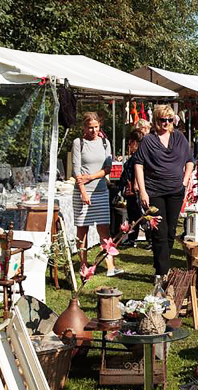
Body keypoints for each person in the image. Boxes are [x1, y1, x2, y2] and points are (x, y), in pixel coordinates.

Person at [134, 105, 194, 278]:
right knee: (159, 232)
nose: (166, 123)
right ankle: (162, 273)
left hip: (175, 191)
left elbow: (190, 160)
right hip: (155, 191)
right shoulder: (148, 140)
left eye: (169, 120)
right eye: (163, 120)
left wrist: (184, 179)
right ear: (156, 121)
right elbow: (138, 164)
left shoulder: (179, 137)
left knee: (170, 232)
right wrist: (143, 191)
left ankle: (161, 266)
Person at [72, 112, 123, 276]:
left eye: (96, 127)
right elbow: (76, 171)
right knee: (82, 231)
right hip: (82, 192)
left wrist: (92, 177)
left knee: (104, 230)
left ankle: (110, 266)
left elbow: (108, 168)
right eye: (90, 127)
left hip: (100, 191)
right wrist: (83, 192)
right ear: (84, 127)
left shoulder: (105, 143)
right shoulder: (78, 143)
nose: (94, 131)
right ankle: (83, 265)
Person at [119, 129, 151, 250]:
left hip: (135, 189)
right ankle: (132, 239)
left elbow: (139, 171)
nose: (129, 146)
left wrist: (136, 185)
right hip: (131, 189)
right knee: (133, 215)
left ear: (134, 142)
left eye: (130, 143)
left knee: (141, 214)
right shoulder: (137, 155)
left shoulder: (139, 155)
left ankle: (150, 239)